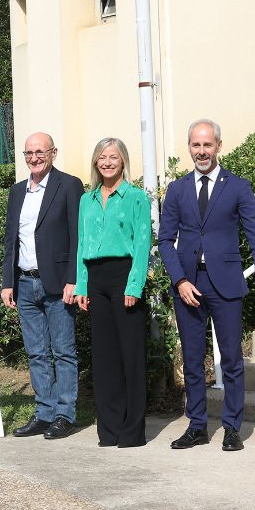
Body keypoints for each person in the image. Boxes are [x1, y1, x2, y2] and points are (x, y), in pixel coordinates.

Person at [158, 119, 255, 452]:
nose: (201, 151)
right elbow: (165, 240)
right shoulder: (178, 189)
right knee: (193, 361)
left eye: (207, 145)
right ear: (189, 148)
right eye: (196, 145)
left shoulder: (237, 186)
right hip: (189, 286)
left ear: (219, 146)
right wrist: (179, 279)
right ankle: (197, 426)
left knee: (231, 360)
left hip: (225, 284)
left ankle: (231, 428)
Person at [1, 132, 84, 440]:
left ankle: (64, 415)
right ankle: (44, 412)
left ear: (53, 153)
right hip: (24, 283)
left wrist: (74, 279)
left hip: (58, 282)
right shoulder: (17, 191)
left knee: (63, 351)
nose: (34, 158)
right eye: (29, 153)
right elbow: (12, 238)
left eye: (40, 152)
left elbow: (78, 236)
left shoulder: (69, 185)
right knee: (36, 353)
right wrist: (7, 281)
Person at [74, 139, 152, 447]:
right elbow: (81, 244)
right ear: (95, 162)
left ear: (123, 161)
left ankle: (132, 432)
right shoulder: (87, 199)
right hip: (96, 278)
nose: (107, 162)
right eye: (102, 157)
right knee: (104, 358)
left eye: (113, 157)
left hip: (124, 276)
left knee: (130, 356)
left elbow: (143, 244)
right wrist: (82, 285)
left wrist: (134, 286)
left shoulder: (136, 198)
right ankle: (109, 429)